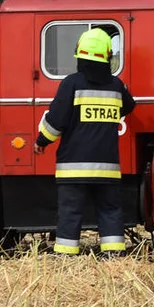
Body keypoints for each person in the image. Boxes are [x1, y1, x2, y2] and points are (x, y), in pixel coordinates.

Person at [34, 28, 136, 256]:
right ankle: (114, 253)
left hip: (73, 168)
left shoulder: (71, 83)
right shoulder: (116, 86)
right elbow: (130, 106)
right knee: (110, 210)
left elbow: (56, 121)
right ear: (108, 57)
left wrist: (42, 141)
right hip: (107, 168)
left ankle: (66, 255)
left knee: (70, 211)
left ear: (79, 55)